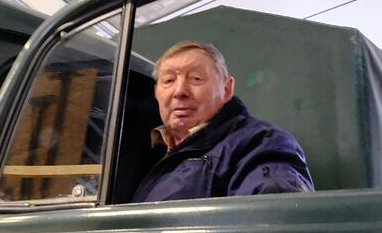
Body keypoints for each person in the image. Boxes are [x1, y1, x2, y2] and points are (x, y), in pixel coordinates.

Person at [131, 41, 313, 202]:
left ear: (226, 89)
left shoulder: (260, 143)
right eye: (169, 80)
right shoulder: (145, 149)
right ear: (156, 92)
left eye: (196, 78)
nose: (179, 91)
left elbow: (275, 223)